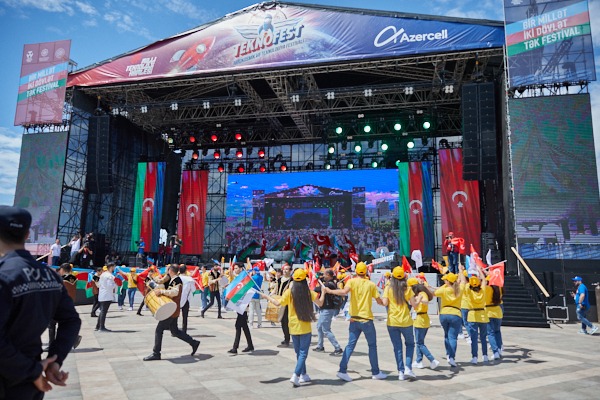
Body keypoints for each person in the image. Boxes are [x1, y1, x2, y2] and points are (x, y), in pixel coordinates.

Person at [0, 205, 81, 399]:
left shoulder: (3, 275)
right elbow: (71, 320)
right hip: (32, 384)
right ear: (27, 234)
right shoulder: (50, 276)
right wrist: (55, 360)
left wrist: (31, 370)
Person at [324, 262, 388, 382]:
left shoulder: (352, 281)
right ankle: (375, 372)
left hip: (354, 319)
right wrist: (385, 300)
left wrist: (330, 291)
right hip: (366, 319)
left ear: (356, 271)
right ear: (366, 272)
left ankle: (342, 370)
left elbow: (344, 292)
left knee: (350, 345)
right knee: (372, 346)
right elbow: (379, 301)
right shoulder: (371, 284)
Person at [262, 268, 325, 386]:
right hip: (305, 327)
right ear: (305, 280)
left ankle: (303, 375)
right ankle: (296, 375)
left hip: (293, 326)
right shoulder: (309, 292)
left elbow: (277, 303)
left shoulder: (289, 292)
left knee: (299, 353)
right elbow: (320, 303)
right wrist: (324, 292)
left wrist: (267, 297)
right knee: (303, 353)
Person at [143, 265, 200, 361]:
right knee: (175, 331)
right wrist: (152, 282)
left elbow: (175, 292)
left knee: (159, 329)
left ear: (170, 270)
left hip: (170, 309)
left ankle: (156, 353)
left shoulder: (177, 280)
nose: (166, 271)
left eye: (167, 269)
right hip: (173, 309)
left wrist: (161, 291)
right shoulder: (172, 279)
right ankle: (194, 343)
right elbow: (160, 284)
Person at [380, 267, 418, 381]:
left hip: (392, 321)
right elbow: (414, 305)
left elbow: (384, 303)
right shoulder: (408, 289)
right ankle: (408, 367)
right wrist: (419, 299)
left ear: (392, 277)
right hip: (406, 321)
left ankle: (400, 372)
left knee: (397, 347)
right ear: (404, 277)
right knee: (410, 344)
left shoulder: (388, 288)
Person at [459, 264, 489, 364]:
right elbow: (484, 280)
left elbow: (463, 281)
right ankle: (485, 356)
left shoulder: (468, 290)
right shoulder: (483, 290)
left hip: (472, 315)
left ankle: (475, 357)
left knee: (474, 338)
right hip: (483, 315)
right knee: (483, 338)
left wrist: (460, 270)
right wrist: (480, 270)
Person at [433, 272, 462, 367]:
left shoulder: (444, 289)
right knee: (453, 337)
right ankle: (451, 357)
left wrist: (445, 285)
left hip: (444, 313)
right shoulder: (459, 289)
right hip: (456, 313)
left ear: (448, 282)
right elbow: (463, 282)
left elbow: (434, 293)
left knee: (446, 335)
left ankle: (448, 354)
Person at [410, 278, 440, 370]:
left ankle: (432, 359)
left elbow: (426, 301)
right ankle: (419, 361)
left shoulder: (422, 294)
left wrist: (419, 299)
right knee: (419, 342)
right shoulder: (418, 294)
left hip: (421, 320)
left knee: (420, 343)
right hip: (420, 319)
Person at [313, 268, 343, 355]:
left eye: (324, 274)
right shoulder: (327, 283)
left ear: (328, 275)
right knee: (319, 327)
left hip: (328, 309)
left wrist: (318, 279)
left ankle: (337, 348)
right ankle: (320, 346)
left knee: (326, 329)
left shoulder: (330, 284)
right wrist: (319, 277)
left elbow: (317, 289)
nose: (323, 275)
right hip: (323, 309)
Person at [228, 263, 254, 354]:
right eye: (234, 268)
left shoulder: (245, 279)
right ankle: (250, 345)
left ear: (241, 269)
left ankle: (235, 348)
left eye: (236, 268)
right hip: (239, 305)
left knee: (238, 325)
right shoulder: (239, 279)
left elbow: (246, 292)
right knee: (244, 326)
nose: (235, 270)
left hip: (243, 305)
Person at [484, 275, 504, 359]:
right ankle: (499, 349)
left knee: (490, 333)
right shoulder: (499, 289)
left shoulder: (487, 289)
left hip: (489, 312)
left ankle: (495, 351)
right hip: (498, 311)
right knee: (497, 331)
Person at [96, 263, 117, 332]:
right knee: (103, 311)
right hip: (106, 295)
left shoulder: (103, 274)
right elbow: (109, 286)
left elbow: (99, 284)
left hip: (103, 294)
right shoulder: (109, 276)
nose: (114, 268)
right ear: (111, 267)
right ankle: (101, 327)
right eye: (114, 267)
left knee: (102, 311)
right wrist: (115, 284)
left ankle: (98, 326)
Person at [276, 263, 293, 346]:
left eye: (287, 269)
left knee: (286, 321)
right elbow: (276, 289)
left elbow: (290, 291)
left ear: (290, 271)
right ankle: (286, 337)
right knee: (282, 321)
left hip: (287, 303)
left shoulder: (292, 281)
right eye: (284, 269)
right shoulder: (279, 279)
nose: (285, 271)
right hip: (280, 301)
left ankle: (287, 339)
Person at [178, 264, 195, 334]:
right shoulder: (190, 279)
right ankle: (184, 331)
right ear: (186, 271)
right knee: (185, 316)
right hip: (186, 299)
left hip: (176, 299)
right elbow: (193, 290)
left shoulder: (176, 278)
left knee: (174, 316)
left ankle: (174, 330)